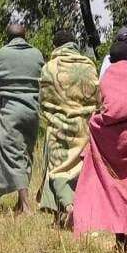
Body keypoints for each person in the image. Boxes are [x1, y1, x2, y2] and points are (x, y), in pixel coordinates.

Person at [71, 42, 127, 253]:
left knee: (114, 190)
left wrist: (94, 125)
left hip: (110, 146)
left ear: (111, 60)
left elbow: (104, 110)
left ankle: (120, 241)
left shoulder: (105, 79)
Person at [0, 24, 45, 213]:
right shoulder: (37, 54)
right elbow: (43, 80)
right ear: (26, 35)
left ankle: (24, 204)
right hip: (32, 111)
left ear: (7, 37)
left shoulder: (3, 53)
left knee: (10, 154)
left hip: (10, 111)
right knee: (26, 154)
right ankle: (18, 201)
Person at [38, 29, 99, 227]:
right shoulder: (89, 66)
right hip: (84, 128)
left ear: (55, 46)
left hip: (58, 127)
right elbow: (98, 96)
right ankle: (78, 212)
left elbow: (43, 100)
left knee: (57, 169)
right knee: (80, 171)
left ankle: (67, 207)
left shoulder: (50, 68)